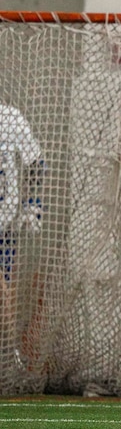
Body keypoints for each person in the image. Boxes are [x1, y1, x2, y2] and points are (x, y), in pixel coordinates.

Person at [1, 101, 44, 372]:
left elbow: (36, 163)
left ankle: (7, 352)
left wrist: (32, 204)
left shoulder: (8, 117)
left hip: (4, 222)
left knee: (7, 290)